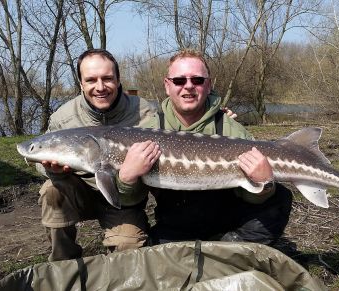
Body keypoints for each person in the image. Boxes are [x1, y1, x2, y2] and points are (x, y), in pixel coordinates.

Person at [117, 49, 293, 245]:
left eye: (197, 80)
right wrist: (126, 179)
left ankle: (230, 249)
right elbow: (130, 202)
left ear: (208, 85)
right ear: (167, 86)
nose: (189, 87)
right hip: (174, 226)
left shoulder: (231, 129)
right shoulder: (147, 131)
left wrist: (264, 186)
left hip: (227, 225)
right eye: (179, 81)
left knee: (279, 196)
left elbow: (252, 198)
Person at [37, 49, 157, 261]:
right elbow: (38, 156)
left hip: (124, 197)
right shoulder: (64, 118)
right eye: (91, 80)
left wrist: (218, 115)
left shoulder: (143, 112)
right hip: (81, 191)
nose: (100, 87)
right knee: (51, 191)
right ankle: (65, 265)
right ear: (81, 83)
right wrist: (50, 170)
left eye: (108, 78)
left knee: (128, 247)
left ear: (118, 80)